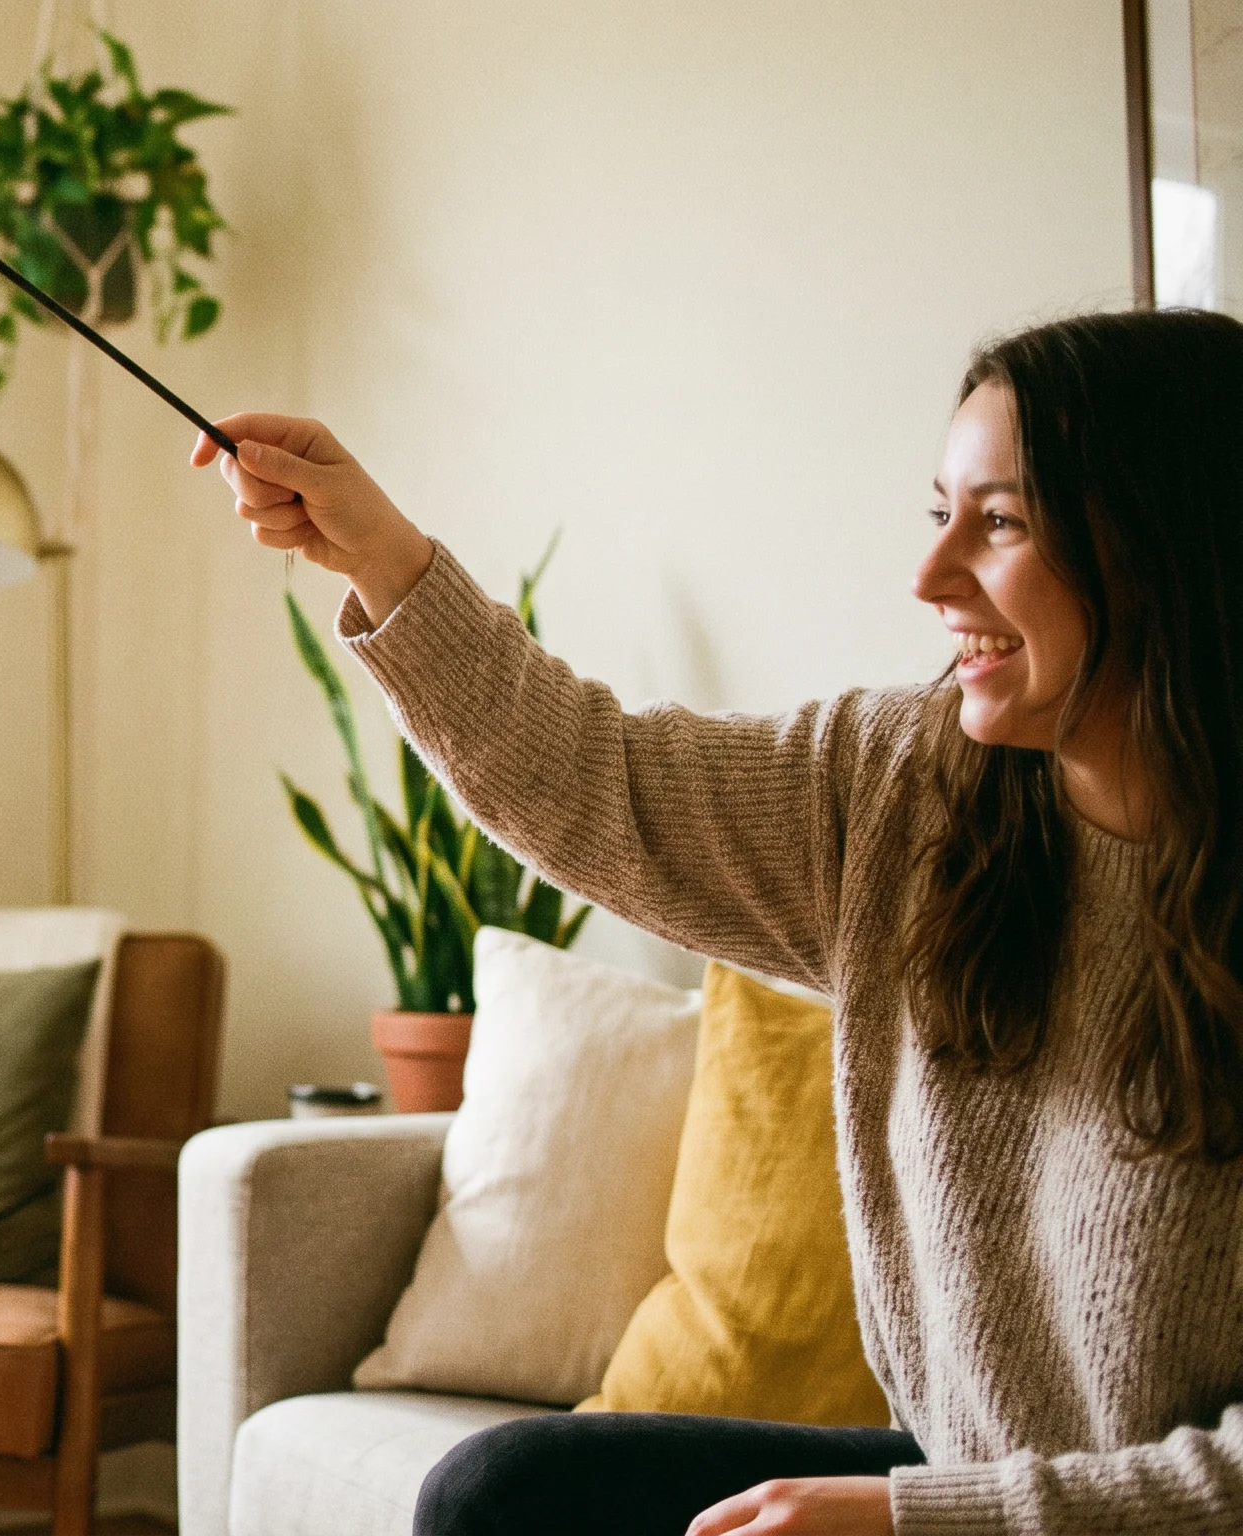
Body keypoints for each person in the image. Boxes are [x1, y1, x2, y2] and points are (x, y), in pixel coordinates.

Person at [191, 308, 1243, 1536]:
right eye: (938, 513)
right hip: (958, 1465)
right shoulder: (902, 785)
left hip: (1148, 1513)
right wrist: (379, 551)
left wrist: (913, 1523)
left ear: (1169, 544)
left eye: (999, 522)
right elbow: (600, 781)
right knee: (505, 1496)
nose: (929, 574)